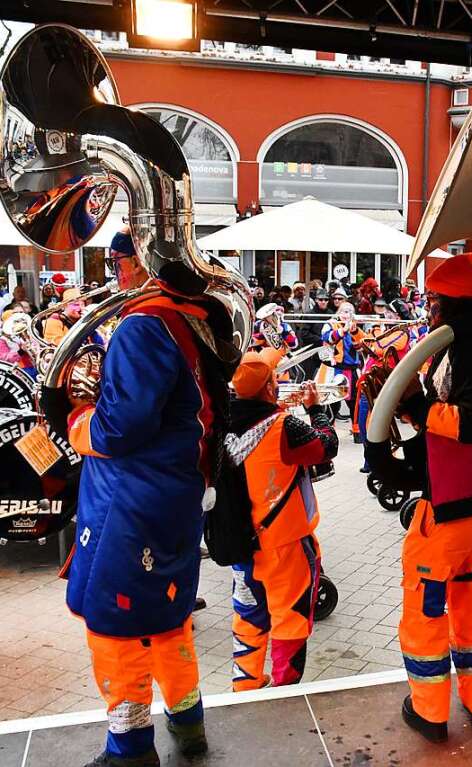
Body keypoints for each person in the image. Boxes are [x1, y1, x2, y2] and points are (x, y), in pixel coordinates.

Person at [65, 228, 227, 765]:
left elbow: (121, 427)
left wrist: (78, 420)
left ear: (141, 261)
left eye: (118, 263)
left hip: (131, 499)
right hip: (175, 490)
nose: (116, 274)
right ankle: (188, 723)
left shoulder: (142, 323)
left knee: (113, 624)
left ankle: (130, 747)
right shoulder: (194, 313)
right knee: (167, 618)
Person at [391, 253, 472, 742]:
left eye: (435, 300)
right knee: (465, 594)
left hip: (458, 499)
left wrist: (420, 408)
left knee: (425, 599)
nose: (429, 308)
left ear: (453, 303)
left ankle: (431, 711)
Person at [227, 356, 339, 691]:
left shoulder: (219, 423)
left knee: (248, 617)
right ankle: (284, 693)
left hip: (240, 543)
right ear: (269, 387)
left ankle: (244, 687)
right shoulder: (281, 426)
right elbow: (326, 446)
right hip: (284, 544)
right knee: (289, 619)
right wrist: (317, 409)